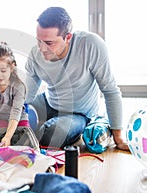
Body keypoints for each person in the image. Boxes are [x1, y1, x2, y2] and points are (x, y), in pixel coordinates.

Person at [25, 7, 129, 150]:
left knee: (52, 135)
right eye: (39, 41)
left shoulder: (91, 45)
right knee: (10, 116)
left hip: (79, 113)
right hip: (50, 102)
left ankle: (97, 123)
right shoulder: (35, 54)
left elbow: (110, 90)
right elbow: (27, 96)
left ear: (68, 37)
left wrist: (118, 137)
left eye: (49, 43)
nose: (42, 49)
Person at [0, 42, 30, 148]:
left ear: (12, 67)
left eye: (3, 70)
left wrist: (8, 137)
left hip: (19, 121)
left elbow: (16, 111)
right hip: (0, 120)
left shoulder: (19, 87)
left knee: (23, 145)